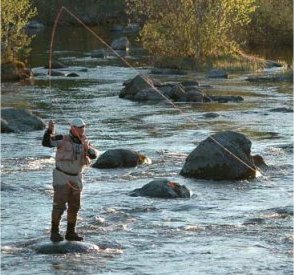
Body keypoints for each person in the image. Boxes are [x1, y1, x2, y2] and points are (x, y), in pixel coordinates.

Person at [42, 118, 98, 242]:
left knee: (75, 206)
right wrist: (49, 131)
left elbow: (93, 156)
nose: (82, 130)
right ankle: (54, 232)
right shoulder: (62, 138)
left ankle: (70, 232)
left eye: (83, 127)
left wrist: (86, 146)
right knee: (59, 206)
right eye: (79, 128)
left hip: (77, 177)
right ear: (73, 128)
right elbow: (46, 143)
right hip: (62, 176)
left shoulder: (86, 142)